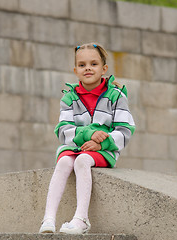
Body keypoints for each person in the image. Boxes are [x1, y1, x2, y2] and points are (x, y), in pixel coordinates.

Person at [39, 43, 135, 234]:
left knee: (82, 160)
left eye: (94, 64)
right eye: (82, 65)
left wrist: (101, 142)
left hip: (105, 151)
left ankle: (81, 219)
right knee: (64, 160)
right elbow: (63, 131)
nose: (88, 68)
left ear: (104, 69)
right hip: (76, 146)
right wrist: (88, 134)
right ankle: (48, 219)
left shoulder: (116, 96)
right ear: (75, 70)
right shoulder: (69, 97)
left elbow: (125, 130)